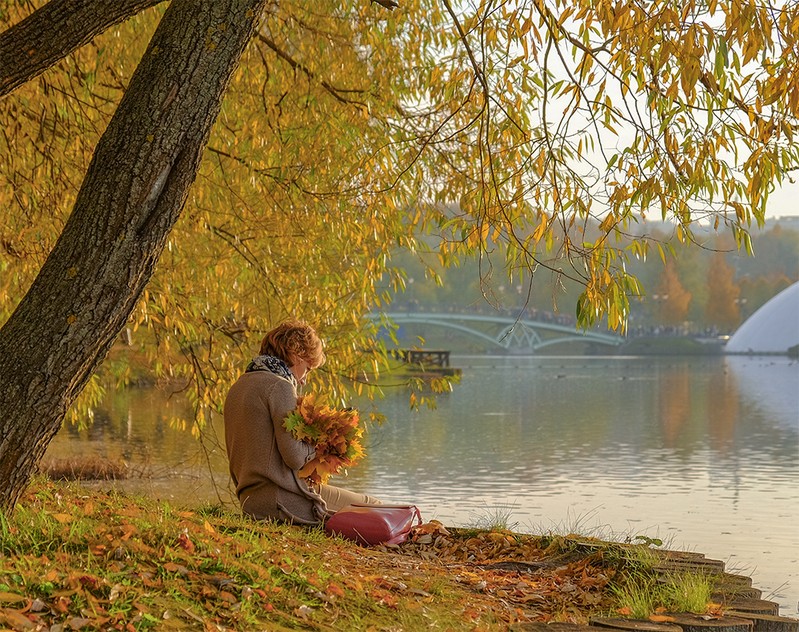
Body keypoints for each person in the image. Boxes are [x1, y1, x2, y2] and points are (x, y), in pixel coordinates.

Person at [224, 319, 381, 524]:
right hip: (282, 502)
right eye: (308, 368)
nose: (304, 379)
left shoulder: (238, 386)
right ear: (296, 355)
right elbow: (295, 458)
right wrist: (324, 444)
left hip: (250, 501)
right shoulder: (279, 387)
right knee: (374, 506)